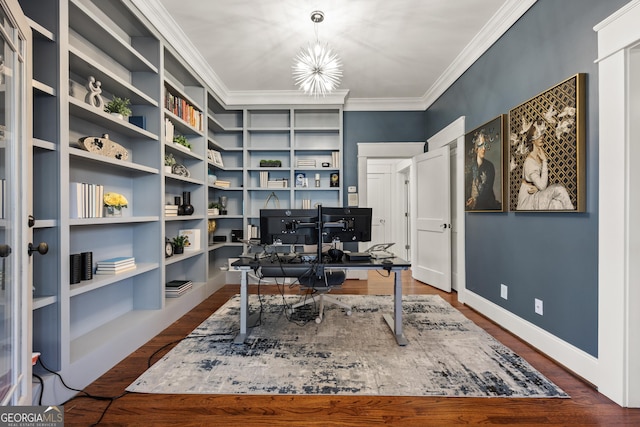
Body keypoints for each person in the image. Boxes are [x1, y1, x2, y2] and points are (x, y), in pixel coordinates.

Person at [516, 120, 574, 210]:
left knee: (556, 204)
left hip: (537, 195)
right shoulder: (529, 162)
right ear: (532, 139)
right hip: (529, 201)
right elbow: (542, 186)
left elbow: (543, 184)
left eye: (542, 134)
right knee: (559, 189)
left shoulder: (539, 156)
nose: (541, 137)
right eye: (538, 134)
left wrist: (538, 188)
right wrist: (545, 161)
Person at [465, 131, 501, 210]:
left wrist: (475, 201)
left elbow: (487, 190)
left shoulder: (489, 166)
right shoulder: (470, 167)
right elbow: (465, 186)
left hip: (487, 206)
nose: (484, 148)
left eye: (485, 145)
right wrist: (468, 200)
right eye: (481, 145)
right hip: (471, 208)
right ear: (476, 148)